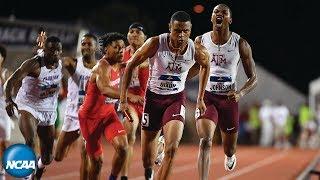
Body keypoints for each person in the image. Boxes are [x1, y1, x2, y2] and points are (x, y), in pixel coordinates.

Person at [120, 11, 210, 180]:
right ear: (170, 28)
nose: (181, 35)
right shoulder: (155, 43)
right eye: (177, 30)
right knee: (147, 160)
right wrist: (123, 100)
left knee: (172, 149)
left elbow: (205, 64)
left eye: (185, 31)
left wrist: (200, 98)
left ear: (190, 30)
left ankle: (165, 145)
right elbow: (131, 64)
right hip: (153, 99)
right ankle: (153, 158)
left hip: (175, 99)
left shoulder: (196, 50)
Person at [194, 4, 257, 179]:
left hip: (229, 99)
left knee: (229, 148)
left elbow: (253, 78)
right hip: (207, 97)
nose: (219, 14)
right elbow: (195, 66)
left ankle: (230, 155)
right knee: (205, 141)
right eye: (216, 12)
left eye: (224, 13)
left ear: (230, 19)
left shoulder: (240, 43)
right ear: (212, 18)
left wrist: (240, 93)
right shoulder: (201, 40)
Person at [78, 32, 143, 180]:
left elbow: (136, 60)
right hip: (90, 119)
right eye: (116, 47)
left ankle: (112, 178)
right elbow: (105, 89)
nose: (121, 50)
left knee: (123, 148)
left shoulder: (119, 64)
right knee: (97, 163)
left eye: (122, 47)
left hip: (108, 115)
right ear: (106, 49)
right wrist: (128, 96)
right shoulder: (101, 66)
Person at [4, 36, 63, 179]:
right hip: (28, 106)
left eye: (57, 51)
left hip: (48, 109)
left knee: (48, 157)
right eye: (51, 50)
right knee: (30, 141)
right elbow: (11, 81)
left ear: (61, 52)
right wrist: (8, 100)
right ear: (45, 50)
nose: (54, 53)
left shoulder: (61, 64)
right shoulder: (33, 64)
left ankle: (38, 167)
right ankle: (27, 174)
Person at [53, 33, 98, 180]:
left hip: (89, 117)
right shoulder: (74, 63)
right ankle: (67, 142)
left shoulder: (101, 67)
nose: (85, 46)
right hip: (72, 116)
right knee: (58, 156)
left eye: (89, 44)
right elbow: (63, 63)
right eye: (83, 44)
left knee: (86, 155)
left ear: (96, 47)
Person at [120, 22, 149, 180]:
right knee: (130, 133)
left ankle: (150, 167)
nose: (134, 34)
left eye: (138, 32)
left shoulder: (150, 52)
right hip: (131, 101)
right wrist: (127, 97)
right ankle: (124, 175)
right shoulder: (120, 54)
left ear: (145, 37)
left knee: (148, 142)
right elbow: (113, 79)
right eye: (131, 31)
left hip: (149, 102)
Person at [0, 44, 13, 180]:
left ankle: (2, 172)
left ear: (2, 58)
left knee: (5, 143)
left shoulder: (5, 72)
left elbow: (8, 90)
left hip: (3, 112)